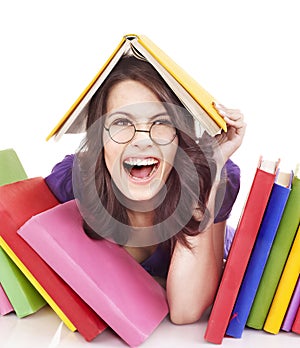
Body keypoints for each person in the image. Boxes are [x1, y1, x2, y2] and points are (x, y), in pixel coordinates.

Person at [45, 55, 246, 325]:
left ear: (179, 135)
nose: (142, 141)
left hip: (216, 255)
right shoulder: (76, 179)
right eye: (121, 123)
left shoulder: (218, 178)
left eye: (161, 122)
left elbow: (185, 311)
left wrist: (205, 179)